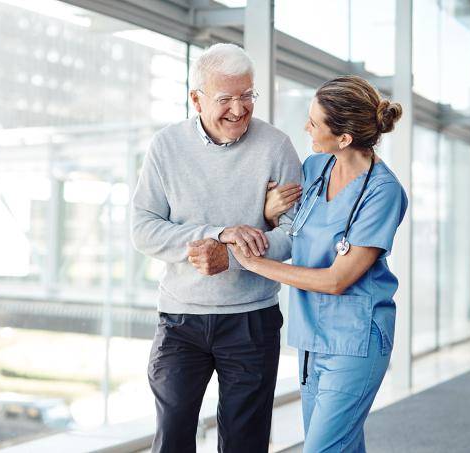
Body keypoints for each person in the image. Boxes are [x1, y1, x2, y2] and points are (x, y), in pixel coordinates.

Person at [130, 43, 302, 453]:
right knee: (172, 439)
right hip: (181, 321)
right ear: (196, 99)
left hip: (251, 321)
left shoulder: (276, 146)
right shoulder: (166, 146)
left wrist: (233, 256)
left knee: (245, 442)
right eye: (225, 98)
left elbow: (296, 234)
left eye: (247, 95)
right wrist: (219, 233)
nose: (239, 110)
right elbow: (143, 229)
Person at [231, 75, 407, 453]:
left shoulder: (383, 192)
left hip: (355, 341)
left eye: (314, 122)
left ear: (344, 138)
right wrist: (270, 212)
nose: (306, 127)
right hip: (312, 337)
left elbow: (336, 280)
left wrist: (254, 263)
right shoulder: (314, 168)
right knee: (339, 446)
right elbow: (291, 229)